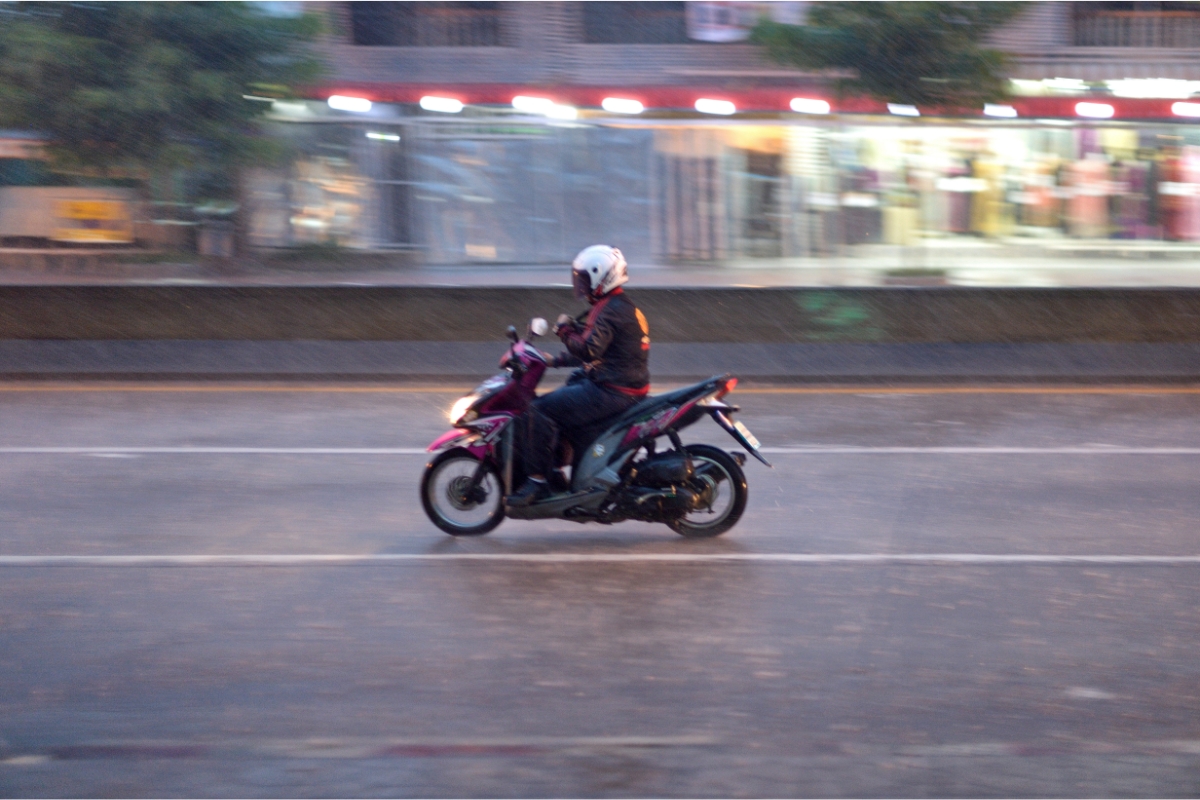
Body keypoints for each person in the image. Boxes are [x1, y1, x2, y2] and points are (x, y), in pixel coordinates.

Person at [506, 244, 651, 507]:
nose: (581, 285)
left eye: (584, 279)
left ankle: (537, 483)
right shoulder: (616, 305)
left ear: (602, 277)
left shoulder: (610, 309)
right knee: (571, 386)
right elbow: (599, 353)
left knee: (538, 410)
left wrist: (563, 331)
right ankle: (565, 471)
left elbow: (587, 350)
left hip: (614, 391)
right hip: (620, 385)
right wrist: (554, 360)